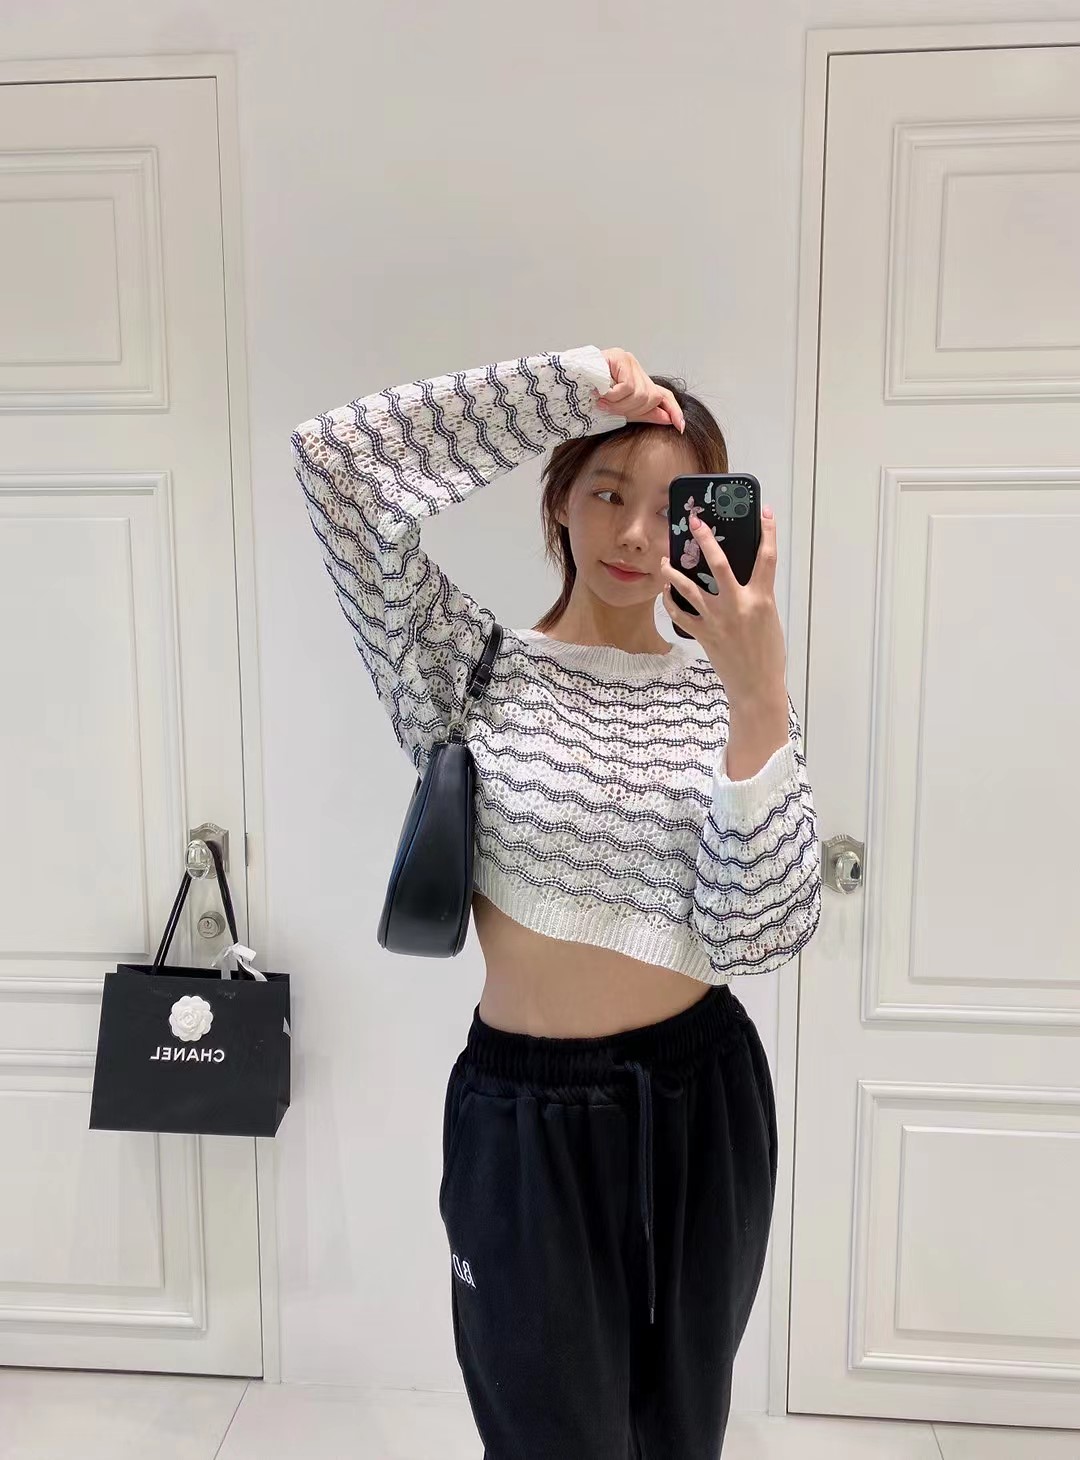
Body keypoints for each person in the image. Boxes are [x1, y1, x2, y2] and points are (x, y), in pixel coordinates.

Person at [290, 343, 821, 1459]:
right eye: (607, 492)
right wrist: (566, 387)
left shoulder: (733, 695)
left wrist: (759, 697)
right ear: (559, 503)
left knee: (680, 1433)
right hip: (524, 1118)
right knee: (546, 1436)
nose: (634, 535)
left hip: (703, 1101)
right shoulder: (470, 669)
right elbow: (336, 464)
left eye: (669, 508)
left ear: (707, 530)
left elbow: (761, 930)